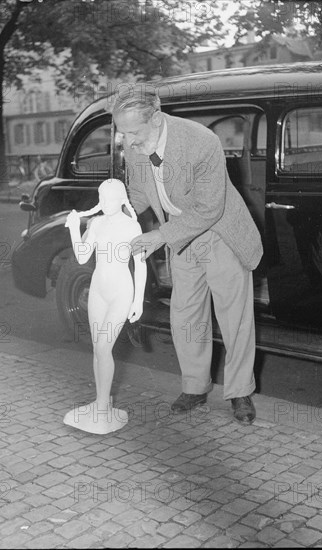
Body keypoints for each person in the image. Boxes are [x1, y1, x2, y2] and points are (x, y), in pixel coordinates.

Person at [111, 86, 263, 425]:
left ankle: (240, 391)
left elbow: (209, 208)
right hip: (181, 234)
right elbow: (137, 193)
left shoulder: (200, 141)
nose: (129, 142)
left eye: (134, 132)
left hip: (220, 231)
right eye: (123, 133)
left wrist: (160, 236)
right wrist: (115, 220)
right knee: (185, 315)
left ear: (156, 118)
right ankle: (195, 386)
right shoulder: (137, 145)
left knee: (234, 317)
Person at [63, 178, 147, 434]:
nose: (104, 203)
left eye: (110, 198)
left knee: (103, 347)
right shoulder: (97, 222)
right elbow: (82, 256)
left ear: (122, 199)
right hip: (98, 290)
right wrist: (74, 229)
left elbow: (140, 265)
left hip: (121, 293)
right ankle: (101, 403)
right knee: (97, 350)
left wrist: (138, 300)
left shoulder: (132, 226)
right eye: (101, 197)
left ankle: (102, 408)